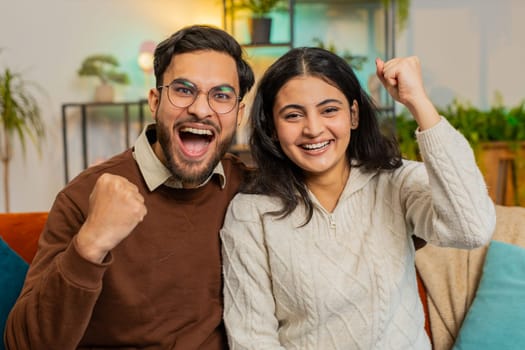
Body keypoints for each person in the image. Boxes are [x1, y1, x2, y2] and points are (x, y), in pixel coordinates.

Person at [220, 47, 496, 349]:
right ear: (272, 128)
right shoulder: (250, 212)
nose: (313, 129)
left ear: (353, 115)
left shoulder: (397, 181)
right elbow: (252, 338)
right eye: (293, 115)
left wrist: (418, 101)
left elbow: (472, 229)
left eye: (329, 110)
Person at [5, 24, 255, 349]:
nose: (201, 108)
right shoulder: (82, 197)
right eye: (183, 90)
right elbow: (24, 343)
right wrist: (91, 243)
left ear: (239, 114)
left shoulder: (249, 191)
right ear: (155, 101)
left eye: (221, 96)